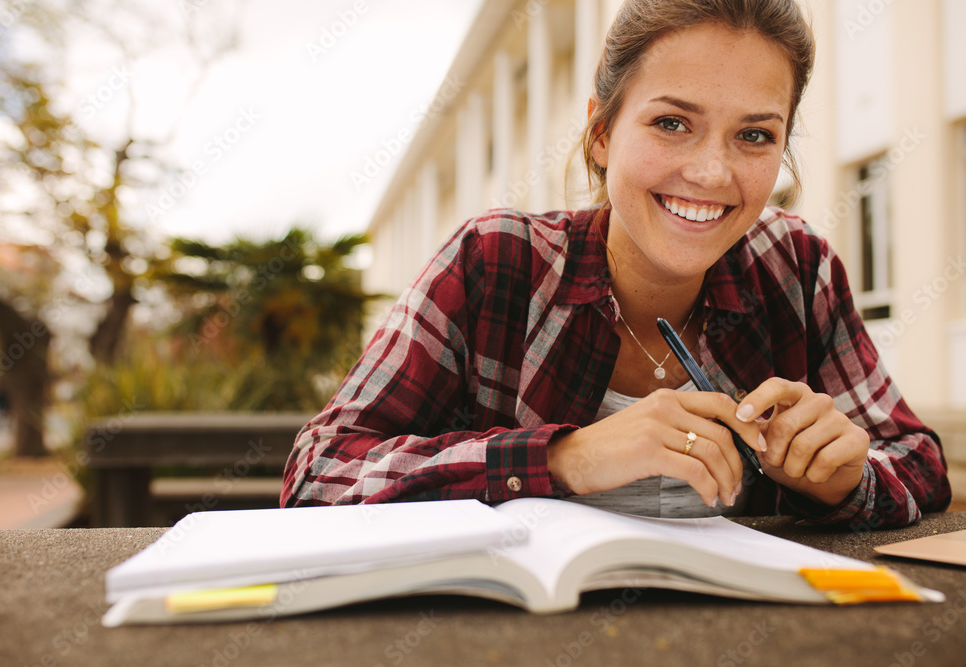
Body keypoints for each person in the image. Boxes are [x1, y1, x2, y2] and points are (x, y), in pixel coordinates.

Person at [281, 0, 950, 528]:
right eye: (672, 123)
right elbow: (316, 475)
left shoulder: (797, 269)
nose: (712, 171)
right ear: (601, 133)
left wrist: (845, 479)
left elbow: (920, 464)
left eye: (754, 135)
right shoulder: (494, 262)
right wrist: (565, 457)